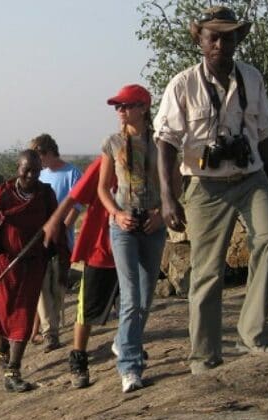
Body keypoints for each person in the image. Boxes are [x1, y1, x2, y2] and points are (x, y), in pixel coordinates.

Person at [154, 6, 268, 375]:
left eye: (227, 36)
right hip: (205, 185)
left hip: (250, 176)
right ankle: (204, 356)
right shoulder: (183, 83)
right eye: (213, 36)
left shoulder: (252, 78)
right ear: (199, 39)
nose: (220, 43)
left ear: (236, 40)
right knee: (208, 272)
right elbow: (165, 142)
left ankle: (253, 335)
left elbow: (266, 136)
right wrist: (168, 197)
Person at [0, 150, 68, 392]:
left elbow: (55, 227)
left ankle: (13, 371)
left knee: (23, 316)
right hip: (6, 264)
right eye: (27, 170)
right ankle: (2, 347)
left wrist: (55, 251)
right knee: (3, 315)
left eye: (36, 171)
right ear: (18, 168)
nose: (31, 174)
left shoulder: (45, 194)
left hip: (34, 265)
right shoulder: (3, 194)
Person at [98, 83, 166, 393]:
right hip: (123, 224)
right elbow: (102, 188)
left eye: (126, 106)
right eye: (118, 107)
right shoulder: (112, 143)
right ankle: (130, 367)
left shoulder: (162, 142)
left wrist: (162, 212)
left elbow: (174, 186)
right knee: (131, 298)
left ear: (143, 107)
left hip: (152, 223)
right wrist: (115, 213)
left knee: (145, 298)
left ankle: (122, 342)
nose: (120, 111)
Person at [42, 155, 117, 388]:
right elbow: (76, 196)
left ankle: (129, 348)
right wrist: (56, 222)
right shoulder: (107, 161)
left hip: (134, 245)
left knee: (133, 304)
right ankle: (79, 357)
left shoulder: (149, 158)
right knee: (87, 307)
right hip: (101, 246)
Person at [31, 133, 81, 352]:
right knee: (41, 285)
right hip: (40, 238)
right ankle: (49, 332)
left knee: (58, 286)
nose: (37, 161)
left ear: (48, 152)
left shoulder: (72, 173)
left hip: (62, 239)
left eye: (38, 156)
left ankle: (54, 326)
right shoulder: (39, 176)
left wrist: (62, 229)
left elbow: (76, 207)